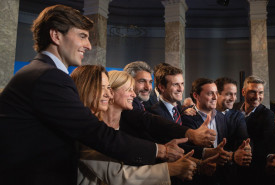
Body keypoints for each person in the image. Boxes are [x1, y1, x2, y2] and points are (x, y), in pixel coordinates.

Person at [0, 5, 160, 185]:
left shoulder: (41, 72)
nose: (89, 45)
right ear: (56, 36)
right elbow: (94, 132)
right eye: (82, 36)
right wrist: (159, 151)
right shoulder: (49, 76)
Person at [71, 65, 197, 185]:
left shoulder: (124, 127)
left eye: (108, 88)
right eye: (128, 89)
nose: (134, 94)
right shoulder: (88, 129)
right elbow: (118, 175)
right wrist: (171, 168)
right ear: (86, 89)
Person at [121, 61, 217, 148]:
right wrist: (191, 134)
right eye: (142, 81)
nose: (148, 87)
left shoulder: (180, 108)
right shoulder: (139, 108)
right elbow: (151, 121)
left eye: (150, 82)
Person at [182, 78, 252, 185]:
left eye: (216, 93)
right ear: (196, 96)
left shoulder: (221, 117)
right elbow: (185, 150)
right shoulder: (186, 118)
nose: (215, 97)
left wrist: (243, 150)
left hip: (222, 178)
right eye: (210, 94)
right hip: (197, 179)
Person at [238, 75, 275, 185]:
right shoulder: (234, 110)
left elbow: (268, 142)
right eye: (252, 92)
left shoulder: (267, 115)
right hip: (234, 169)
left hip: (255, 172)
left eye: (260, 93)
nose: (257, 96)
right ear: (243, 92)